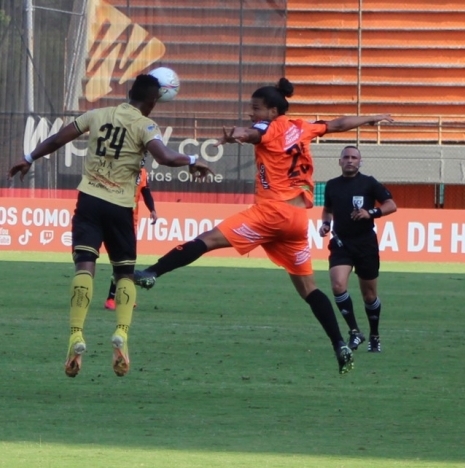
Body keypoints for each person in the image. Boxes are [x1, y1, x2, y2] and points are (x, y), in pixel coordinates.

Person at [134, 77, 394, 374]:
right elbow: (338, 123)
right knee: (309, 289)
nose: (251, 113)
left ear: (272, 110)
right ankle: (339, 343)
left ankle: (153, 272)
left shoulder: (266, 127)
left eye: (255, 108)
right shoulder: (302, 126)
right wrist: (372, 117)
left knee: (207, 240)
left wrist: (236, 135)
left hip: (272, 213)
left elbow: (254, 132)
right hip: (297, 220)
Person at [8, 74, 212, 379]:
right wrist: (193, 158)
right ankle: (121, 334)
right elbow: (165, 157)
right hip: (120, 207)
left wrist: (28, 158)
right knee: (124, 273)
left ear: (129, 93)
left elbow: (57, 139)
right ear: (153, 101)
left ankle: (76, 334)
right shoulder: (146, 126)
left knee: (84, 267)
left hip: (89, 201)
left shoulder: (97, 114)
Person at [318, 145, 397, 353]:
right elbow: (327, 210)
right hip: (341, 243)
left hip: (365, 244)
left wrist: (371, 212)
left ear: (359, 162)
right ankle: (354, 331)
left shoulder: (369, 183)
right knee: (337, 285)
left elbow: (391, 204)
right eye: (346, 157)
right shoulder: (332, 185)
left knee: (369, 296)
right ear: (340, 161)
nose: (350, 160)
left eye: (354, 157)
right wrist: (325, 224)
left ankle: (374, 335)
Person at [105, 166, 157, 310]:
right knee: (119, 259)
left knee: (128, 260)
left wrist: (152, 209)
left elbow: (145, 191)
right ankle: (111, 298)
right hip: (115, 218)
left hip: (131, 222)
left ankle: (122, 296)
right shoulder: (121, 165)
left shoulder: (142, 172)